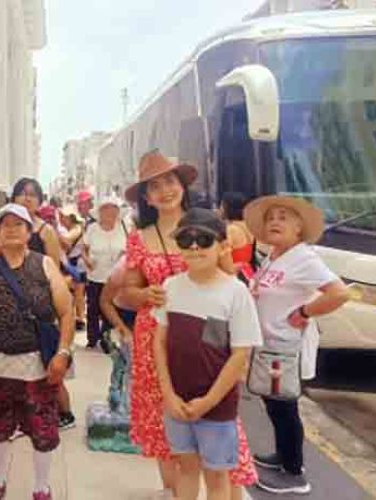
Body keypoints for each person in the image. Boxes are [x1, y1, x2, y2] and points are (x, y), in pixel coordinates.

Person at [120, 149, 257, 499]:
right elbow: (127, 291)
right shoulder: (139, 237)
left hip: (207, 334)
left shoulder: (207, 225)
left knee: (218, 421)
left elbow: (232, 281)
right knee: (166, 426)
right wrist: (144, 296)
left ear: (182, 185)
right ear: (146, 197)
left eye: (170, 181)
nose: (164, 190)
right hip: (157, 338)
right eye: (154, 186)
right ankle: (173, 492)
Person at [0, 203, 76, 500]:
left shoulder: (44, 265)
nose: (11, 229)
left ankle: (41, 486)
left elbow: (66, 312)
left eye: (18, 224)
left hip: (35, 365)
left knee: (42, 430)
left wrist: (63, 352)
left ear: (28, 232)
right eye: (5, 225)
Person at [153, 208, 263, 500]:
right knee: (186, 468)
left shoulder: (235, 294)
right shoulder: (171, 287)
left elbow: (239, 355)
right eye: (185, 239)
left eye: (203, 239)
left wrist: (209, 401)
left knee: (217, 477)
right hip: (177, 403)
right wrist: (168, 395)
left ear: (224, 246)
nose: (193, 247)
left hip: (216, 407)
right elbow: (159, 342)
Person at [244, 196, 349, 495]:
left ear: (300, 229)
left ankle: (294, 473)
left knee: (285, 407)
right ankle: (284, 456)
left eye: (284, 218)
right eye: (271, 218)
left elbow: (339, 293)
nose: (275, 222)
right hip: (269, 346)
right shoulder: (275, 254)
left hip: (285, 348)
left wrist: (304, 313)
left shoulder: (304, 258)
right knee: (274, 405)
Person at [10, 178, 75, 431]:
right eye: (22, 194)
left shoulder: (45, 230)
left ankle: (65, 412)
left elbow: (54, 269)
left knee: (47, 360)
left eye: (33, 194)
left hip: (39, 305)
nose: (27, 199)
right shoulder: (5, 226)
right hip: (12, 305)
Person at [82, 196, 129, 351]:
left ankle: (106, 337)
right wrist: (87, 260)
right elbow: (84, 249)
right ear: (100, 212)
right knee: (93, 307)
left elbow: (131, 248)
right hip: (96, 275)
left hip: (116, 278)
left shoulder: (124, 227)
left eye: (113, 209)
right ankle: (92, 337)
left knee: (112, 308)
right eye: (106, 209)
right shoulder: (92, 228)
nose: (110, 213)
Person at [59, 206, 88, 332]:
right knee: (76, 292)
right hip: (73, 264)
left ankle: (80, 318)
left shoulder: (76, 229)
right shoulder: (73, 229)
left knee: (78, 292)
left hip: (77, 264)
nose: (61, 219)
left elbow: (66, 240)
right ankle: (78, 317)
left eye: (63, 217)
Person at [219, 192, 258, 282]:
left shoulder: (231, 229)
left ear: (228, 208)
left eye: (221, 205)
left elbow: (223, 255)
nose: (219, 209)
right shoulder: (249, 226)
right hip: (248, 272)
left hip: (235, 274)